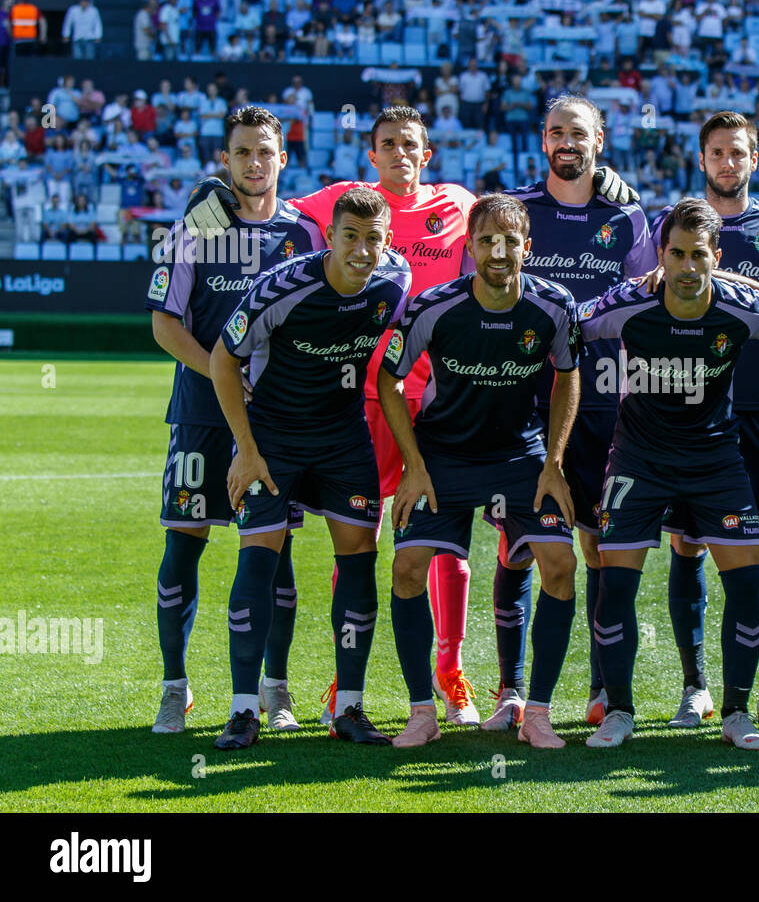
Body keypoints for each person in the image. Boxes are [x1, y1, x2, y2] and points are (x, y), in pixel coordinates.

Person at [185, 105, 637, 727]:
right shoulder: (346, 201)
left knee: (452, 542)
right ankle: (341, 689)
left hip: (438, 400)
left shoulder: (459, 201)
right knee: (368, 541)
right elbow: (270, 193)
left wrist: (615, 186)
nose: (400, 153)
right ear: (370, 156)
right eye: (387, 144)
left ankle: (452, 675)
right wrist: (218, 192)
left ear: (429, 153)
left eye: (411, 144)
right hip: (357, 400)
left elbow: (522, 215)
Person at [579, 198, 759, 751]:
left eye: (697, 255)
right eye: (675, 254)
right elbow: (568, 329)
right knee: (615, 586)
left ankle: (735, 712)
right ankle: (619, 710)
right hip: (639, 458)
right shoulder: (628, 303)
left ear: (716, 257)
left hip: (715, 458)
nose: (685, 266)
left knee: (747, 583)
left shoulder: (743, 308)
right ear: (659, 255)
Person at [473, 94, 655, 729]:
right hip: (524, 403)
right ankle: (512, 690)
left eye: (578, 132)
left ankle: (603, 690)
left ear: (599, 140)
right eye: (556, 132)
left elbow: (643, 305)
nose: (566, 142)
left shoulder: (629, 218)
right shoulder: (516, 212)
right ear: (543, 141)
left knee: (601, 547)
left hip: (604, 406)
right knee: (519, 547)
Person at [208, 186, 411, 749]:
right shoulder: (282, 287)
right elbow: (224, 360)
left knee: (359, 561)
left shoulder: (397, 281)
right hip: (272, 439)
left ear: (388, 240)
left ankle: (349, 708)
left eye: (374, 238)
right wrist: (246, 449)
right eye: (350, 236)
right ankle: (244, 709)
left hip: (343, 439)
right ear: (330, 236)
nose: (362, 250)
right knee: (258, 561)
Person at [146, 107, 325, 735]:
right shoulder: (192, 231)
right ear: (225, 160)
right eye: (242, 152)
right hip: (201, 416)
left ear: (283, 159)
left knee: (276, 554)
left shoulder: (305, 236)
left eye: (265, 152)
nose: (255, 163)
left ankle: (275, 690)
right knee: (182, 547)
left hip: (275, 421)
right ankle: (176, 687)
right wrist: (225, 377)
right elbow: (164, 325)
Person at [380, 194, 580, 749]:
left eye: (510, 241)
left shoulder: (554, 306)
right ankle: (422, 711)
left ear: (527, 248)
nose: (499, 251)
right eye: (487, 241)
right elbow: (389, 383)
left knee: (561, 564)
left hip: (520, 455)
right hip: (442, 456)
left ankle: (535, 711)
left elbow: (568, 377)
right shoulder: (433, 306)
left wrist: (555, 463)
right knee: (407, 568)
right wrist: (414, 467)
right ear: (469, 248)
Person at [649, 111, 759, 731]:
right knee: (688, 541)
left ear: (755, 159)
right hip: (689, 409)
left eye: (739, 152)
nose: (729, 162)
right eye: (717, 152)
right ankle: (695, 687)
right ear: (703, 160)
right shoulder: (670, 226)